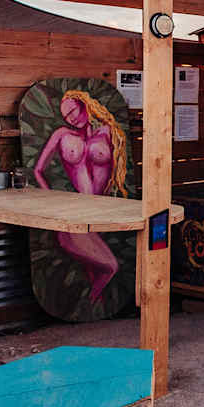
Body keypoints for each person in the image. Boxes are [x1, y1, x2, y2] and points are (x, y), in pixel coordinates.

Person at [33, 90, 129, 302]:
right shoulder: (61, 134)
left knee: (103, 270)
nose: (72, 118)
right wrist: (50, 199)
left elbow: (118, 171)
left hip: (100, 211)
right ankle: (93, 305)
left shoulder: (108, 131)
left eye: (73, 111)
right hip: (76, 212)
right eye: (66, 116)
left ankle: (95, 306)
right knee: (108, 268)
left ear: (84, 104)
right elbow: (37, 170)